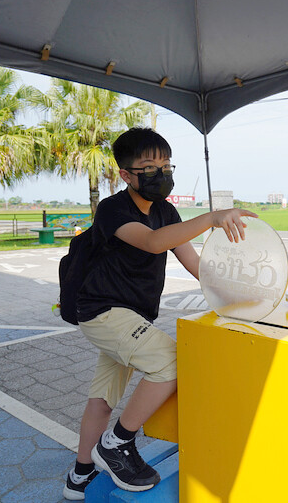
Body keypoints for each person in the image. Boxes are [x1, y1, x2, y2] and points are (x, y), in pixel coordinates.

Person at [63, 127, 256, 500]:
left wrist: (237, 296)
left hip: (132, 318)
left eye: (166, 165)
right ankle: (117, 443)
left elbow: (193, 262)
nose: (161, 174)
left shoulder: (166, 211)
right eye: (149, 166)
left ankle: (80, 474)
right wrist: (212, 217)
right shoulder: (113, 209)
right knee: (170, 361)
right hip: (104, 311)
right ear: (125, 174)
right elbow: (153, 243)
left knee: (102, 398)